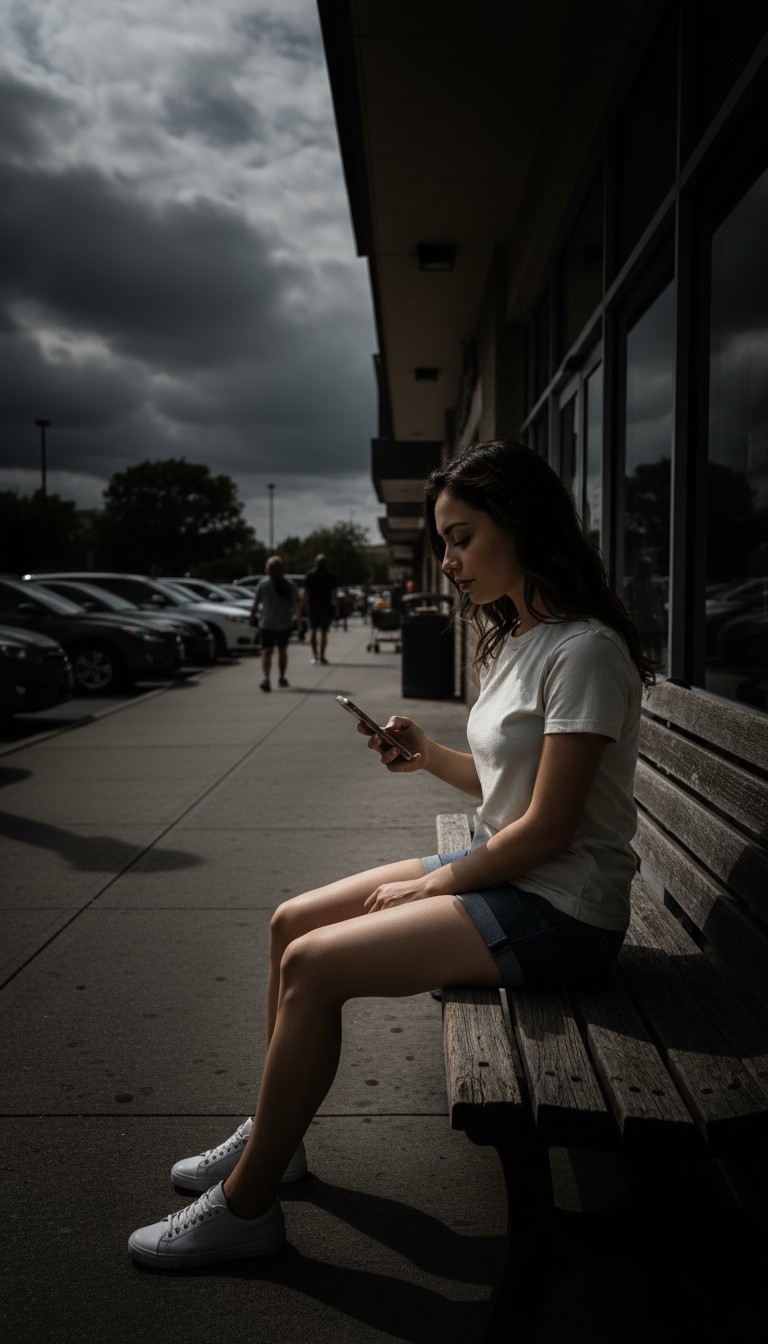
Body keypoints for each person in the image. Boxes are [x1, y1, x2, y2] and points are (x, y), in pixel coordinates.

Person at [128, 439, 656, 1269]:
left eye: (463, 536)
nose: (448, 559)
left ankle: (247, 1205)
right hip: (512, 872)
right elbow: (506, 779)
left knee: (314, 965)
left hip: (562, 908)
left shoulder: (584, 649)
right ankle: (278, 1139)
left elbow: (551, 829)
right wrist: (425, 756)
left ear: (522, 524)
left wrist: (435, 886)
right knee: (289, 923)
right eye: (443, 539)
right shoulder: (521, 634)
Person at [250, 556, 301, 691]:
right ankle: (281, 677)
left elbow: (255, 605)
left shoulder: (263, 584)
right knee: (282, 650)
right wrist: (298, 619)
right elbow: (296, 604)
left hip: (266, 623)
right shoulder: (290, 584)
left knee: (266, 651)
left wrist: (252, 617)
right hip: (284, 623)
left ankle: (266, 679)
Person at [301, 553, 337, 664]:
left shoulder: (310, 574)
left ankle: (315, 655)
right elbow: (334, 593)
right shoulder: (330, 575)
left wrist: (302, 605)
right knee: (323, 631)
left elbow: (305, 592)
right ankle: (321, 655)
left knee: (314, 630)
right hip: (324, 606)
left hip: (313, 606)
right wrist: (335, 605)